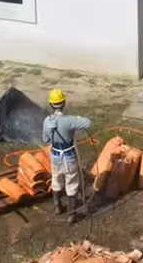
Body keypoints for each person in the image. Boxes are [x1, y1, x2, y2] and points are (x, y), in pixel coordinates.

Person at [42, 88, 92, 223]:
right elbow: (88, 123)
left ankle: (57, 207)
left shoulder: (47, 121)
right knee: (72, 183)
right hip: (69, 155)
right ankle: (71, 215)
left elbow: (46, 140)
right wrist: (78, 118)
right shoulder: (70, 120)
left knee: (56, 180)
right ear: (63, 103)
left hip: (55, 156)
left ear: (51, 104)